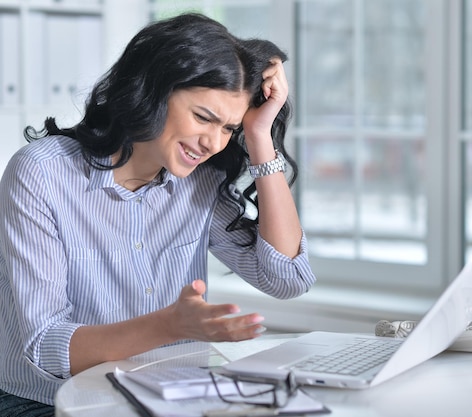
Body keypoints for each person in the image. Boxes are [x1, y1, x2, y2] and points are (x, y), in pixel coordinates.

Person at [0, 13, 316, 415]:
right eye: (203, 117)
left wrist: (258, 137)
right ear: (150, 91)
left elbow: (287, 278)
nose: (213, 143)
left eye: (228, 128)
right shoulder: (41, 173)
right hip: (46, 402)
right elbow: (45, 349)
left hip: (170, 397)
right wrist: (171, 326)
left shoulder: (197, 180)